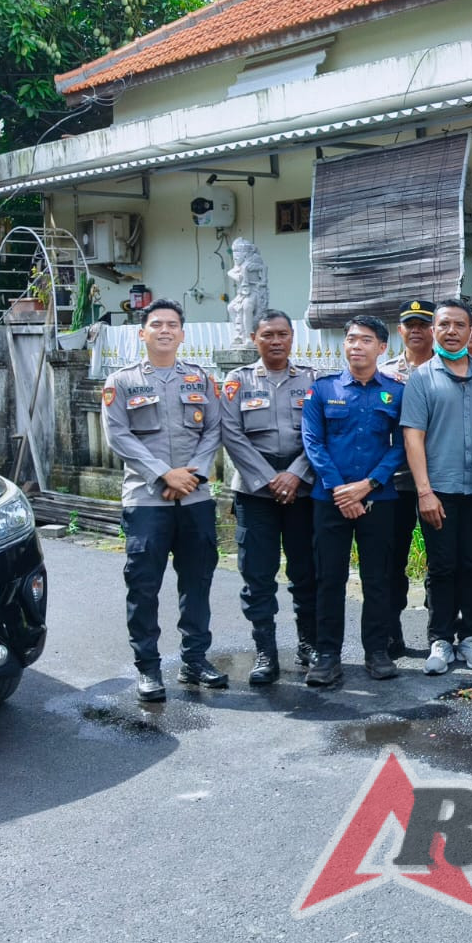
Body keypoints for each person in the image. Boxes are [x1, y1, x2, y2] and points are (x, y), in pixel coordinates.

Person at [101, 298, 224, 702]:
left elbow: (214, 429)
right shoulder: (121, 382)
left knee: (198, 582)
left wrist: (191, 476)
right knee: (143, 587)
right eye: (157, 324)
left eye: (172, 324)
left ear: (182, 334)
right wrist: (163, 474)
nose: (165, 330)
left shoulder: (201, 380)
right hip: (145, 499)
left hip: (195, 497)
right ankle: (148, 669)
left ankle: (195, 659)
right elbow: (118, 435)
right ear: (143, 333)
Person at [300, 314, 406, 687]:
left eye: (365, 340)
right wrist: (341, 490)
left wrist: (368, 485)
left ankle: (376, 651)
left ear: (382, 347)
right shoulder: (323, 389)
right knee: (329, 578)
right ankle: (327, 654)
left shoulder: (395, 391)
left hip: (379, 498)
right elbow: (314, 442)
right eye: (351, 339)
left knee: (378, 578)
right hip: (330, 499)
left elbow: (402, 447)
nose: (356, 346)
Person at [400, 298, 472, 676]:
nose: (452, 332)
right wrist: (424, 492)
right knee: (442, 566)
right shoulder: (421, 378)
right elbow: (413, 438)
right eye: (444, 325)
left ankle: (471, 637)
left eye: (460, 325)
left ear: (471, 330)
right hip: (438, 489)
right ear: (433, 330)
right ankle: (441, 639)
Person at [218, 308, 318, 684]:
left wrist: (294, 475)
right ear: (253, 339)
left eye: (282, 334)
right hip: (255, 493)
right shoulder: (237, 381)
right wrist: (269, 479)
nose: (276, 341)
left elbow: (319, 433)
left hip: (303, 488)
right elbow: (230, 433)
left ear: (293, 337)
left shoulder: (311, 379)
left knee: (306, 572)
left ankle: (309, 645)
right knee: (257, 576)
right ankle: (266, 652)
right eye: (268, 335)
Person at [379, 299, 441, 659]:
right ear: (399, 330)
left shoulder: (446, 369)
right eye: (409, 325)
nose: (416, 330)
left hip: (439, 479)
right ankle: (391, 633)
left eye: (423, 324)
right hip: (396, 481)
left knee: (439, 562)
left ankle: (438, 634)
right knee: (392, 560)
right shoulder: (384, 373)